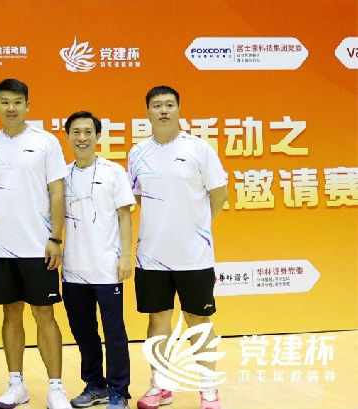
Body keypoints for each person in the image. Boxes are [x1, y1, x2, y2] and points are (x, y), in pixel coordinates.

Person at [128, 86, 228, 409]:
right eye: (157, 105)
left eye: (169, 104)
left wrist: (196, 227)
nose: (163, 110)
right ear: (148, 112)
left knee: (198, 320)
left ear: (179, 109)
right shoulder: (137, 153)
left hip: (193, 256)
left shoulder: (199, 149)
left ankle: (209, 388)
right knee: (158, 321)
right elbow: (138, 198)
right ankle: (160, 385)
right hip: (151, 256)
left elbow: (219, 195)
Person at [0, 78, 71, 409]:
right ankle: (16, 384)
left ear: (28, 105)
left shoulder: (46, 142)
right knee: (10, 314)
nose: (11, 108)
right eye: (5, 102)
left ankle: (56, 387)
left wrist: (56, 237)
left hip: (37, 246)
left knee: (44, 314)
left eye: (17, 102)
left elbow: (57, 191)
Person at [60, 112, 134, 409]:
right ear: (68, 136)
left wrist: (126, 256)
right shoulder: (61, 176)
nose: (82, 138)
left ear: (97, 136)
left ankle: (119, 391)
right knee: (84, 333)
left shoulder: (113, 172)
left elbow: (125, 216)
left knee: (114, 333)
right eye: (76, 132)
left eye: (88, 132)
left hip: (106, 268)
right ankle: (95, 385)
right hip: (73, 270)